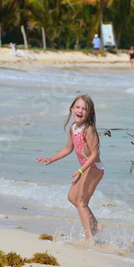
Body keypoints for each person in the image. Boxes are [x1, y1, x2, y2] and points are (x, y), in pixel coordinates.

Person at [36, 94, 104, 243]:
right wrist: (51, 159)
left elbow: (94, 155)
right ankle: (96, 225)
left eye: (84, 109)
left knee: (81, 202)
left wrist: (81, 171)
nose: (80, 111)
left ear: (90, 113)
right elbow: (68, 148)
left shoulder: (89, 129)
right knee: (72, 198)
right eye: (77, 107)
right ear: (72, 109)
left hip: (94, 168)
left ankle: (89, 237)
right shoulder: (73, 128)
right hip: (86, 168)